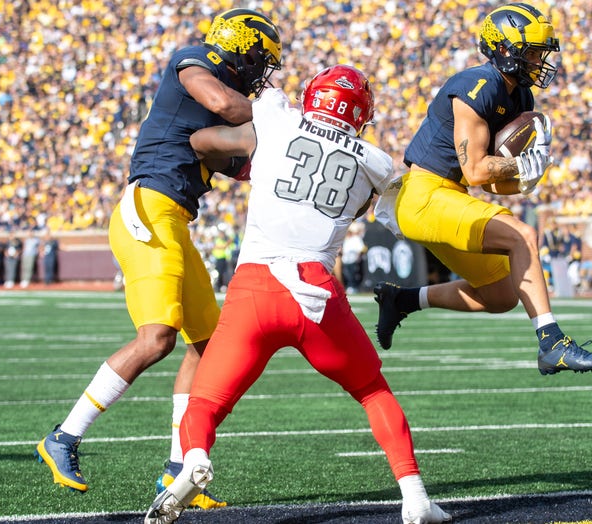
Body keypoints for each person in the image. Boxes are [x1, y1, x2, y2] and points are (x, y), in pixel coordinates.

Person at [144, 66, 450, 524]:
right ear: (360, 114)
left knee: (204, 402)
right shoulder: (377, 162)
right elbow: (400, 216)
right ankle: (416, 497)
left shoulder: (277, 116)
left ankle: (194, 461)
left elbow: (215, 131)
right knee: (372, 392)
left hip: (255, 286)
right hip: (316, 292)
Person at [36, 9, 282, 510]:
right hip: (150, 205)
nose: (263, 69)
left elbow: (238, 158)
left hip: (176, 218)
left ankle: (176, 470)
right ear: (238, 44)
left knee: (209, 347)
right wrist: (278, 114)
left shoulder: (216, 110)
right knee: (157, 337)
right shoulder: (196, 62)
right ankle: (64, 436)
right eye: (261, 56)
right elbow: (226, 104)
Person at [371, 2, 592, 375]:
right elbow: (476, 168)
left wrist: (522, 177)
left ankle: (402, 299)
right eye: (532, 52)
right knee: (522, 235)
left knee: (500, 295)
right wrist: (519, 164)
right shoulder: (477, 84)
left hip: (449, 197)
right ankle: (552, 343)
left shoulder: (519, 97)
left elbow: (496, 186)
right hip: (423, 197)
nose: (538, 61)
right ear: (503, 49)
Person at [340, 222, 367, 293]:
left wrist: (358, 257)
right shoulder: (345, 239)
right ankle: (349, 286)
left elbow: (361, 249)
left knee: (353, 274)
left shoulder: (356, 239)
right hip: (346, 260)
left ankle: (353, 287)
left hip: (353, 260)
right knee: (347, 274)